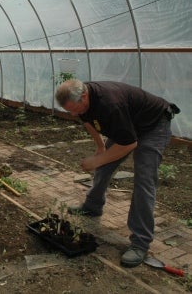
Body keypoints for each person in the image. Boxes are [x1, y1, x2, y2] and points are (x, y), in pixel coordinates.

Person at [55, 79, 180, 268]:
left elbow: (129, 143)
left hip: (153, 126)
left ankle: (140, 243)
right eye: (70, 110)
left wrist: (96, 160)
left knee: (144, 181)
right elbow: (87, 120)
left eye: (75, 109)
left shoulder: (110, 104)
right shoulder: (82, 101)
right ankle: (93, 206)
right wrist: (100, 148)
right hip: (128, 123)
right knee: (105, 165)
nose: (73, 114)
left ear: (84, 96)